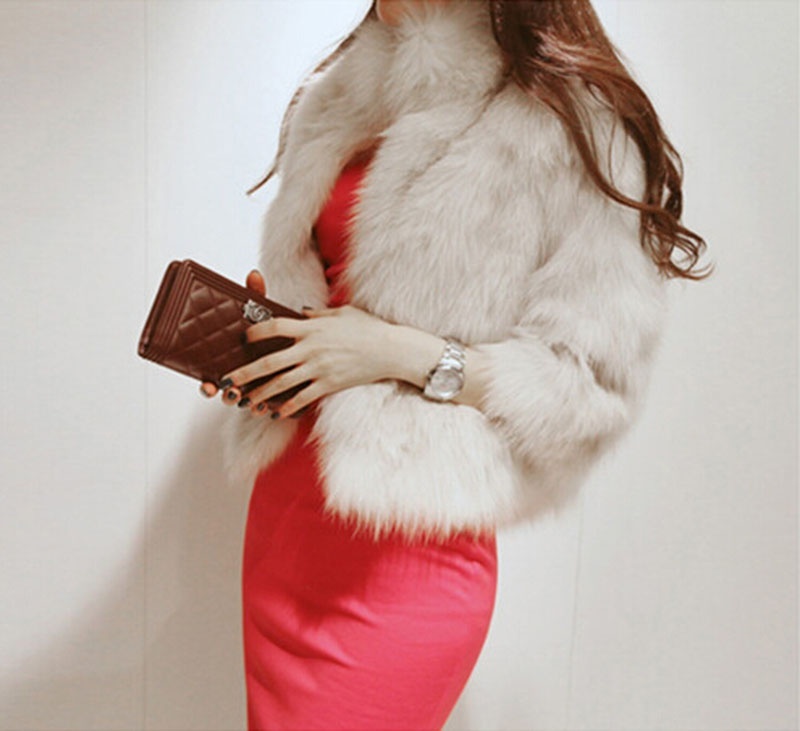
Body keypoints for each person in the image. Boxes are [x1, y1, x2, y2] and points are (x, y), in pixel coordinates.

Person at [201, 0, 709, 728]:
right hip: (286, 523)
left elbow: (589, 388)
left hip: (410, 554)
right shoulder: (341, 97)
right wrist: (266, 357)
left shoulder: (567, 122)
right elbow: (323, 306)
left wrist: (395, 352)